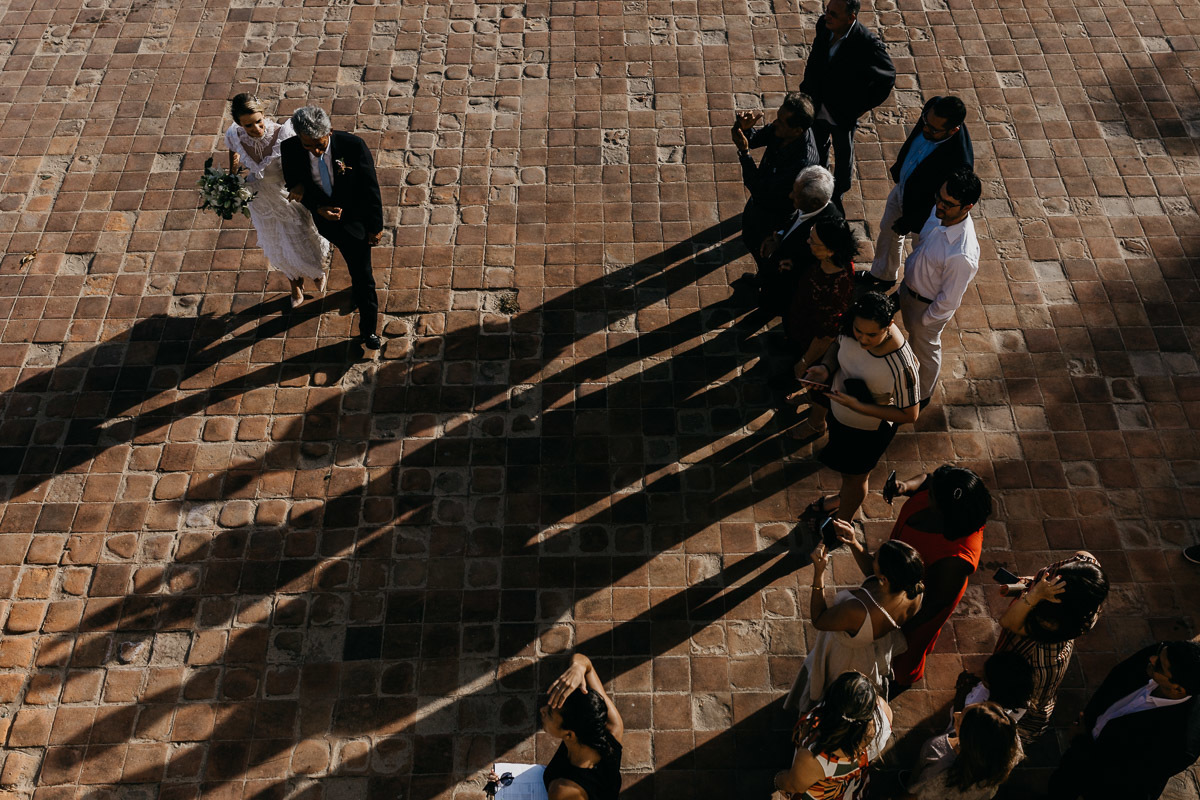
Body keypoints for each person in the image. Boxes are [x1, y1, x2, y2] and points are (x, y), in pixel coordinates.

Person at [839, 465, 991, 687]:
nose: (926, 491)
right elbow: (927, 479)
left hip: (919, 604)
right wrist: (904, 486)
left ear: (945, 509)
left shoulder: (956, 561)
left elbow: (930, 606)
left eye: (930, 494)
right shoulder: (942, 492)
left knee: (902, 651)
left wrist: (889, 628)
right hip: (898, 575)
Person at [796, 292, 920, 519]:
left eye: (871, 335)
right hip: (839, 416)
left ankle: (843, 521)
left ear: (889, 325)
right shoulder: (850, 328)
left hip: (868, 433)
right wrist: (825, 367)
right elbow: (837, 344)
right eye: (858, 331)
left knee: (856, 478)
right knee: (847, 474)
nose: (862, 339)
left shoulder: (902, 365)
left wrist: (858, 406)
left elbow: (910, 414)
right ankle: (843, 498)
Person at [280, 106, 384, 349]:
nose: (315, 151)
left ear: (330, 131)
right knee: (355, 268)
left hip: (356, 223)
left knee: (363, 276)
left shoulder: (353, 146)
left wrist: (375, 227)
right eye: (308, 146)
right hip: (326, 223)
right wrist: (317, 207)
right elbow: (293, 182)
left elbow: (370, 188)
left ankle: (367, 331)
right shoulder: (291, 149)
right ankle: (356, 292)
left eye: (319, 144)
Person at [1047, 639, 1200, 800]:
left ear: (1178, 688)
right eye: (1160, 651)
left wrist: (1079, 742)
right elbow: (1115, 679)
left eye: (1160, 666)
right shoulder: (1162, 655)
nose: (1151, 659)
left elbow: (1121, 775)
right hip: (1078, 754)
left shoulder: (1181, 743)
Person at [784, 538, 924, 712]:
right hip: (871, 656)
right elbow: (873, 575)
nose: (872, 560)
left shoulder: (858, 611)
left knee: (833, 696)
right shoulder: (914, 591)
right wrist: (852, 542)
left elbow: (819, 620)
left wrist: (819, 573)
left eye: (875, 559)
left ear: (885, 579)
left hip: (844, 658)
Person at [223, 93, 329, 308]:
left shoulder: (284, 133)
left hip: (287, 195)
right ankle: (294, 283)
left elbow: (305, 162)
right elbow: (233, 151)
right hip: (260, 199)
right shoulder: (234, 134)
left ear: (264, 115)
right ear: (238, 124)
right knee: (276, 244)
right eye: (249, 125)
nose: (256, 128)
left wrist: (301, 186)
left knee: (301, 236)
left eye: (258, 121)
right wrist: (232, 175)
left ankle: (315, 272)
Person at [992, 552, 1110, 743]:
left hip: (1030, 650)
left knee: (1022, 692)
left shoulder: (1044, 647)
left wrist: (1034, 594)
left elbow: (1009, 621)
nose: (1050, 576)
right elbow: (1086, 555)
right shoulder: (1084, 573)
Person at [861, 95, 973, 291]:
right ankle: (882, 274)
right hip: (903, 189)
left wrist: (910, 221)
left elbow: (942, 203)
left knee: (920, 253)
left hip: (924, 214)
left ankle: (913, 289)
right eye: (925, 122)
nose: (925, 129)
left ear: (953, 130)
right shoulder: (932, 109)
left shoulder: (959, 163)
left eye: (933, 129)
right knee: (888, 230)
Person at [798, 0, 896, 213]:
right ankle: (818, 182)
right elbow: (816, 59)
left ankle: (838, 191)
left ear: (851, 17)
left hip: (842, 112)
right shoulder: (824, 25)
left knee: (843, 151)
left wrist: (861, 106)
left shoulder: (867, 44)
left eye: (833, 13)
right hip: (816, 103)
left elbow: (887, 78)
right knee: (816, 145)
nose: (827, 17)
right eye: (827, 11)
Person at [898, 167, 982, 408]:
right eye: (939, 197)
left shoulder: (962, 255)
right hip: (910, 292)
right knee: (917, 343)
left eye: (948, 203)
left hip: (925, 307)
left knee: (925, 350)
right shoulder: (940, 214)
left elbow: (949, 300)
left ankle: (921, 395)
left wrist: (926, 322)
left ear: (967, 207)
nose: (939, 205)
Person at [488, 652, 624, 800]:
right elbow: (586, 664)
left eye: (550, 714)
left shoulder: (563, 791)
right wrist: (578, 667)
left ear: (569, 734)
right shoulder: (612, 727)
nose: (542, 710)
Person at [732, 93, 821, 270]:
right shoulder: (784, 129)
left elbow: (759, 188)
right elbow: (754, 139)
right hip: (759, 203)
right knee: (750, 240)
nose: (774, 123)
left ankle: (765, 282)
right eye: (778, 117)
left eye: (781, 121)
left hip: (774, 216)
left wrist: (744, 154)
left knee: (766, 255)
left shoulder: (802, 164)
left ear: (797, 130)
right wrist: (743, 128)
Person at [774, 671, 894, 800]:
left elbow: (794, 785)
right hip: (852, 785)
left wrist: (778, 779)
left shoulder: (813, 758)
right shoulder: (885, 713)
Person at [782, 216, 857, 394]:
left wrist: (804, 362)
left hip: (811, 336)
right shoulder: (825, 260)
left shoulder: (836, 288)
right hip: (799, 320)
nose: (808, 241)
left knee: (799, 368)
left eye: (813, 241)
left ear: (830, 251)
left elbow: (825, 336)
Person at [759, 166, 844, 316]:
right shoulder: (807, 205)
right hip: (778, 266)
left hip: (791, 285)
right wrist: (778, 236)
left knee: (780, 307)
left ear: (815, 203)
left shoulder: (827, 229)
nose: (791, 196)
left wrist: (791, 264)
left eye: (797, 195)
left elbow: (820, 265)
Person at [901, 702, 1023, 800]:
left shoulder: (941, 774)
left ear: (968, 741)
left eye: (959, 721)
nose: (955, 714)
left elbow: (915, 796)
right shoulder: (1007, 743)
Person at [949, 651, 1035, 726]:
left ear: (995, 688)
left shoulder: (980, 711)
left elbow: (958, 723)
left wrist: (960, 693)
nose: (978, 674)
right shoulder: (1019, 698)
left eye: (984, 677)